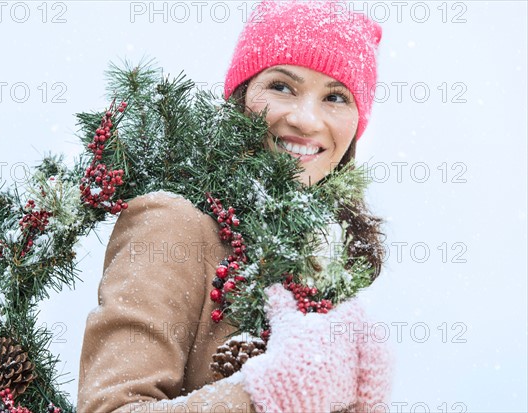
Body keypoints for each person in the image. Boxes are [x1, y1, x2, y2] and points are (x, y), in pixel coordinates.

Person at [77, 1, 392, 412]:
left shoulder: (320, 256)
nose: (307, 120)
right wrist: (260, 396)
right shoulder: (174, 223)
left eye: (335, 96)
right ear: (242, 95)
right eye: (282, 87)